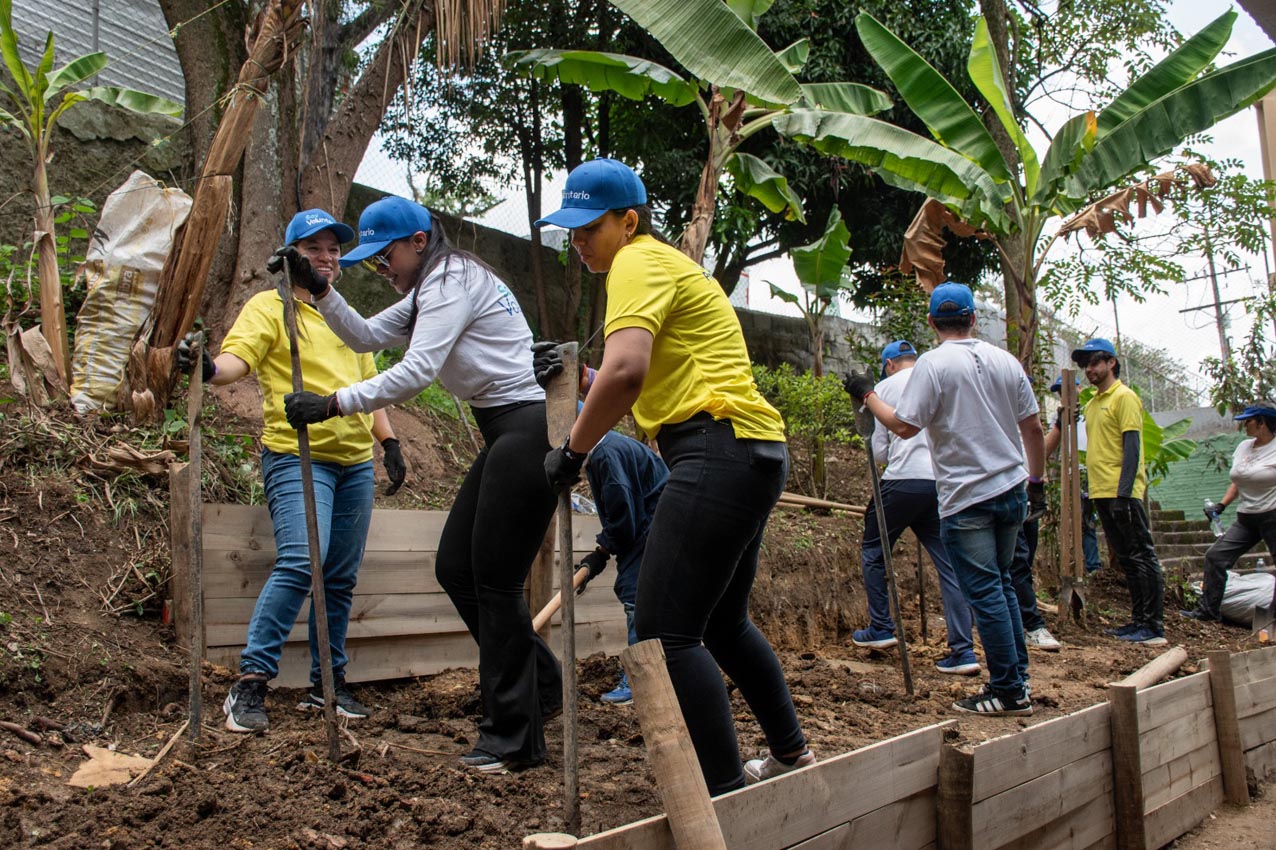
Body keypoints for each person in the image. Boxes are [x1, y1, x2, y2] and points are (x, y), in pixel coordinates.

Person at [534, 158, 812, 793]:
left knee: (664, 630)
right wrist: (580, 383)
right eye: (571, 231)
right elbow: (642, 379)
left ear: (628, 221)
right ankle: (790, 755)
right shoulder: (667, 267)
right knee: (721, 622)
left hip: (716, 448)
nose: (578, 242)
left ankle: (724, 794)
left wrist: (573, 452)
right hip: (747, 449)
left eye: (590, 228)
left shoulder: (634, 261)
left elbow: (627, 372)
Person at [280, 196, 561, 773]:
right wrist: (320, 289)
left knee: (495, 580)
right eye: (374, 267)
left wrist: (334, 404)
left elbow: (415, 372)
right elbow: (362, 337)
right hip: (505, 429)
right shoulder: (429, 287)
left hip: (529, 424)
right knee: (456, 567)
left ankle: (513, 738)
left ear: (417, 241)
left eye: (385, 260)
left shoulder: (451, 279)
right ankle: (541, 683)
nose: (383, 273)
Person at [176, 209, 406, 734]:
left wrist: (389, 443)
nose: (326, 258)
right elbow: (236, 362)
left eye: (332, 250)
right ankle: (250, 682)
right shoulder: (269, 308)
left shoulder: (344, 316)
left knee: (340, 577)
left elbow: (368, 387)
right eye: (313, 249)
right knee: (303, 561)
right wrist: (206, 367)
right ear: (290, 258)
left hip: (354, 463)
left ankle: (330, 684)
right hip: (298, 456)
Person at [847, 282, 1046, 717]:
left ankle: (1009, 690)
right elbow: (1032, 428)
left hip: (967, 495)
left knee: (988, 592)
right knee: (1004, 584)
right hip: (1012, 487)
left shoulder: (933, 366)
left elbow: (903, 428)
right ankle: (1019, 679)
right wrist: (1037, 481)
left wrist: (868, 394)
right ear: (974, 319)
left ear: (933, 323)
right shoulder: (1005, 361)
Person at [851, 340, 981, 677]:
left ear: (890, 365)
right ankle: (963, 650)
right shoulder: (936, 379)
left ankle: (880, 627)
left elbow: (880, 452)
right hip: (941, 482)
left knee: (874, 549)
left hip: (903, 480)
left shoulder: (884, 388)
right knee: (950, 565)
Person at [1072, 338, 1168, 646]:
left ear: (1111, 363)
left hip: (1121, 490)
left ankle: (1153, 625)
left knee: (1141, 554)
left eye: (1095, 363)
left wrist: (1126, 494)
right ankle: (1137, 620)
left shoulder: (1124, 397)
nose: (1090, 370)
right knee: (1126, 558)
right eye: (1086, 365)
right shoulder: (1092, 403)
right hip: (1100, 490)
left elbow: (1132, 448)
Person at [581, 427, 669, 703]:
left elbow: (624, 520)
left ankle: (640, 679)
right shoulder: (609, 446)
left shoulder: (606, 455)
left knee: (635, 596)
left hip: (651, 529)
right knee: (645, 599)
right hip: (652, 525)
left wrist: (602, 551)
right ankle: (663, 671)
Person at [1181, 401, 1276, 623]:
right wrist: (1221, 506)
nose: (1244, 425)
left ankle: (1271, 619)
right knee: (1216, 557)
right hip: (1246, 518)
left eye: (1249, 421)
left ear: (1262, 423)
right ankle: (1208, 612)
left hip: (1273, 516)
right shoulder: (1244, 447)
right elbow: (1239, 480)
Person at [1043, 374, 1102, 574]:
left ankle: (1096, 565)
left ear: (1079, 389)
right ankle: (1090, 566)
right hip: (1070, 473)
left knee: (1092, 519)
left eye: (1067, 390)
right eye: (1060, 392)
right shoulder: (1058, 417)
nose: (1064, 395)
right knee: (1083, 521)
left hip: (1094, 469)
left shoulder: (1092, 408)